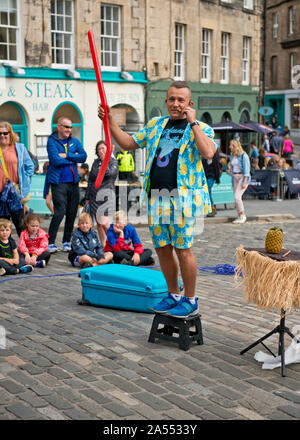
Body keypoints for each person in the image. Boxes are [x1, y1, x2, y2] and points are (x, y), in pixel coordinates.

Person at [98, 80, 216, 318]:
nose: (175, 104)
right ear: (166, 101)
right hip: (156, 198)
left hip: (182, 200)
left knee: (184, 250)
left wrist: (193, 122)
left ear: (189, 103)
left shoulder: (200, 127)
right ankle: (173, 294)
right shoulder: (155, 125)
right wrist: (109, 121)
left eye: (181, 100)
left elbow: (208, 152)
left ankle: (190, 299)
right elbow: (129, 143)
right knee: (163, 249)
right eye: (171, 99)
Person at [46, 117, 87, 253]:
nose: (69, 130)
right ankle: (50, 242)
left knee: (72, 212)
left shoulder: (75, 142)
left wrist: (67, 155)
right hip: (58, 182)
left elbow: (83, 157)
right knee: (60, 211)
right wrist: (72, 159)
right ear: (59, 127)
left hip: (73, 182)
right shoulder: (51, 141)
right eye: (66, 127)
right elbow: (55, 160)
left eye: (70, 127)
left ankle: (66, 241)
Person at [0, 122, 34, 236]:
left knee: (20, 225)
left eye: (5, 133)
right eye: (0, 133)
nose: (2, 135)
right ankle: (5, 251)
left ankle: (25, 251)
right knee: (2, 227)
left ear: (10, 134)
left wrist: (25, 181)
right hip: (0, 195)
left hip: (14, 194)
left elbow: (30, 166)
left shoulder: (19, 148)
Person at [85, 140, 118, 248]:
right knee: (99, 223)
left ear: (108, 149)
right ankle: (104, 246)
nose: (101, 151)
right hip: (94, 196)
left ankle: (115, 244)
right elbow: (90, 180)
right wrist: (87, 196)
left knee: (105, 223)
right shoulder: (95, 162)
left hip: (106, 196)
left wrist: (105, 161)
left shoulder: (113, 162)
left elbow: (110, 173)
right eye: (99, 149)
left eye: (103, 148)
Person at [227, 139, 250, 224]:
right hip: (235, 177)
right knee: (236, 198)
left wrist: (244, 182)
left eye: (231, 145)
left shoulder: (244, 156)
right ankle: (239, 216)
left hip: (242, 177)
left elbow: (247, 170)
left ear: (235, 146)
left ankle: (243, 215)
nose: (230, 147)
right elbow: (233, 169)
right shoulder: (232, 156)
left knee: (237, 197)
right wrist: (230, 172)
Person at [202, 151, 220, 217]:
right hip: (205, 177)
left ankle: (212, 208)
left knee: (208, 190)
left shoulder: (214, 156)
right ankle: (210, 208)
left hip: (211, 177)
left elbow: (216, 168)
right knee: (206, 192)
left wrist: (217, 179)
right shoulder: (204, 157)